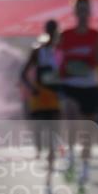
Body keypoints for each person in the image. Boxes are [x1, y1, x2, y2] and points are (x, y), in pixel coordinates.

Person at [55, 0, 98, 194]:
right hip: (70, 85)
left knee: (87, 130)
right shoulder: (65, 35)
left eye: (86, 9)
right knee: (71, 118)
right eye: (80, 9)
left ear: (90, 12)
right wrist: (62, 70)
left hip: (90, 86)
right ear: (75, 13)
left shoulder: (96, 35)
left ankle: (85, 166)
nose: (83, 13)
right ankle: (69, 156)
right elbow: (56, 59)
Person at [20, 20, 62, 172]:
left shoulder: (60, 50)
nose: (52, 32)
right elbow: (23, 74)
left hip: (54, 98)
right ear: (46, 30)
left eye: (54, 30)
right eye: (49, 29)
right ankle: (39, 151)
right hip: (39, 98)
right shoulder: (38, 51)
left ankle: (51, 157)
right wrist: (32, 89)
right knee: (39, 128)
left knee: (53, 130)